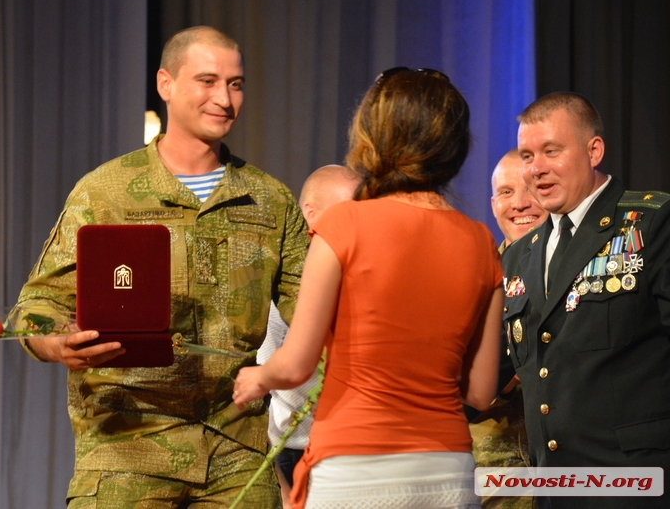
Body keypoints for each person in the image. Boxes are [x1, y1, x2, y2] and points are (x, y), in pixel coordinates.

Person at [11, 26, 309, 508]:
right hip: (127, 446)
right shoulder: (105, 191)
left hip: (235, 451)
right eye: (208, 81)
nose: (225, 98)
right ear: (165, 84)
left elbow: (312, 309)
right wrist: (56, 343)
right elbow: (36, 306)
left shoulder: (269, 200)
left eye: (236, 84)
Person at [234, 67, 503, 509]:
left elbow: (296, 365)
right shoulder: (481, 242)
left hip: (354, 469)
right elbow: (479, 392)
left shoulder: (343, 225)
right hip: (447, 469)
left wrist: (257, 377)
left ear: (372, 135)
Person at [502, 91, 670, 509]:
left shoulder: (651, 223)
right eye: (527, 155)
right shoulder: (520, 254)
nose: (536, 168)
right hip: (554, 490)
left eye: (551, 151)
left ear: (594, 150)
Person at [257, 165, 360, 508]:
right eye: (349, 210)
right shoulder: (281, 283)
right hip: (293, 449)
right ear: (309, 215)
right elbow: (263, 377)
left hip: (355, 448)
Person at [467, 149, 548, 509]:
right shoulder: (469, 279)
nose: (520, 204)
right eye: (505, 192)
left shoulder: (586, 272)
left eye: (531, 188)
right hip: (494, 480)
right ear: (492, 202)